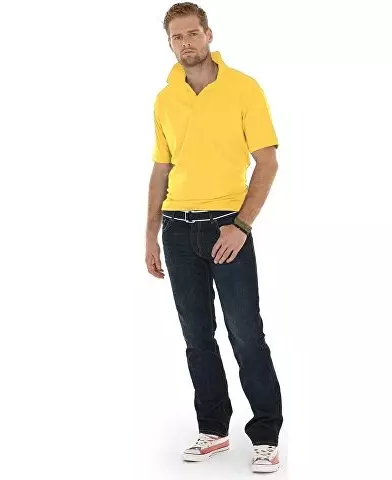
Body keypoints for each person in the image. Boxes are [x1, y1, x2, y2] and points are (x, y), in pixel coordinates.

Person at [145, 2, 283, 473]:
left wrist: (241, 225)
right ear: (170, 43)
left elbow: (267, 162)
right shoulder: (165, 98)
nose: (185, 43)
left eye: (192, 34)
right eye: (176, 37)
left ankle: (266, 435)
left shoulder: (243, 88)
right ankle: (213, 430)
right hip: (176, 230)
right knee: (197, 337)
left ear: (208, 34)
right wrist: (150, 234)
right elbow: (161, 169)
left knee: (246, 334)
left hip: (227, 227)